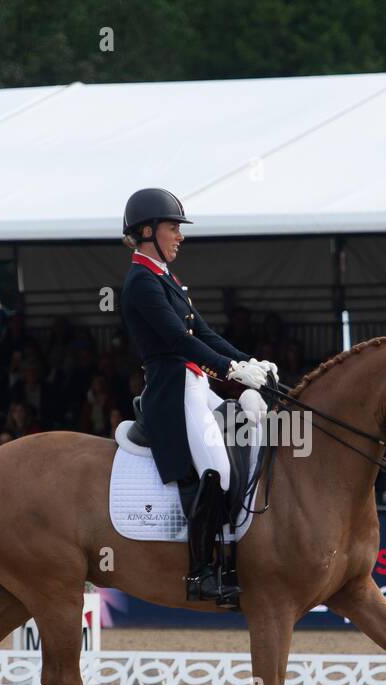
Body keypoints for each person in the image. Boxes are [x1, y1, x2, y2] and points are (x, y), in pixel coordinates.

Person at [119, 187, 273, 607]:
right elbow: (176, 340)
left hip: (195, 387)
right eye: (173, 228)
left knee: (250, 442)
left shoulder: (166, 279)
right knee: (217, 471)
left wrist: (251, 364)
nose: (180, 236)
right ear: (147, 231)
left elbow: (203, 333)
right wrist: (230, 371)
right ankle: (203, 572)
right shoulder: (140, 283)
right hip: (171, 393)